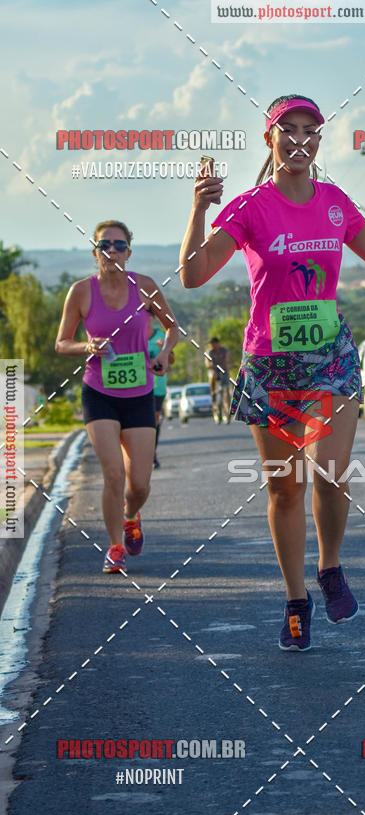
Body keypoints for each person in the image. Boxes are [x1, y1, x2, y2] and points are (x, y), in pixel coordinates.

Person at [179, 94, 365, 651]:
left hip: (331, 357)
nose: (299, 139)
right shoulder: (249, 207)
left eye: (309, 130)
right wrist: (198, 209)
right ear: (269, 139)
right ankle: (296, 599)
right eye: (287, 129)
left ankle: (331, 566)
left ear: (319, 140)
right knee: (285, 490)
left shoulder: (335, 202)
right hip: (270, 364)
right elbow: (194, 275)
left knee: (333, 472)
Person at [55, 220, 179, 573]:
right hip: (99, 393)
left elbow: (173, 328)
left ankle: (130, 515)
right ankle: (114, 548)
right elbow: (61, 343)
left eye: (119, 245)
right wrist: (86, 345)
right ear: (95, 252)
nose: (112, 251)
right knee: (113, 474)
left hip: (139, 394)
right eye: (105, 245)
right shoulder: (80, 292)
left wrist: (161, 355)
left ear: (129, 251)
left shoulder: (146, 287)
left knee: (139, 484)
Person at [148, 317, 168, 467]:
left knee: (154, 421)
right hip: (137, 385)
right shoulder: (134, 334)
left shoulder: (161, 336)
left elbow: (171, 359)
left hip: (158, 386)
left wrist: (164, 351)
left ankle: (152, 455)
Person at [206, 336, 232, 422]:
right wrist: (210, 365)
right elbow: (207, 363)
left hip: (224, 371)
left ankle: (227, 405)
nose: (213, 345)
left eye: (214, 343)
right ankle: (213, 392)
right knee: (212, 376)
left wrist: (229, 366)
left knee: (226, 388)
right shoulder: (209, 352)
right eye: (212, 344)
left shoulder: (224, 350)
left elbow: (228, 360)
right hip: (214, 370)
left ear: (218, 343)